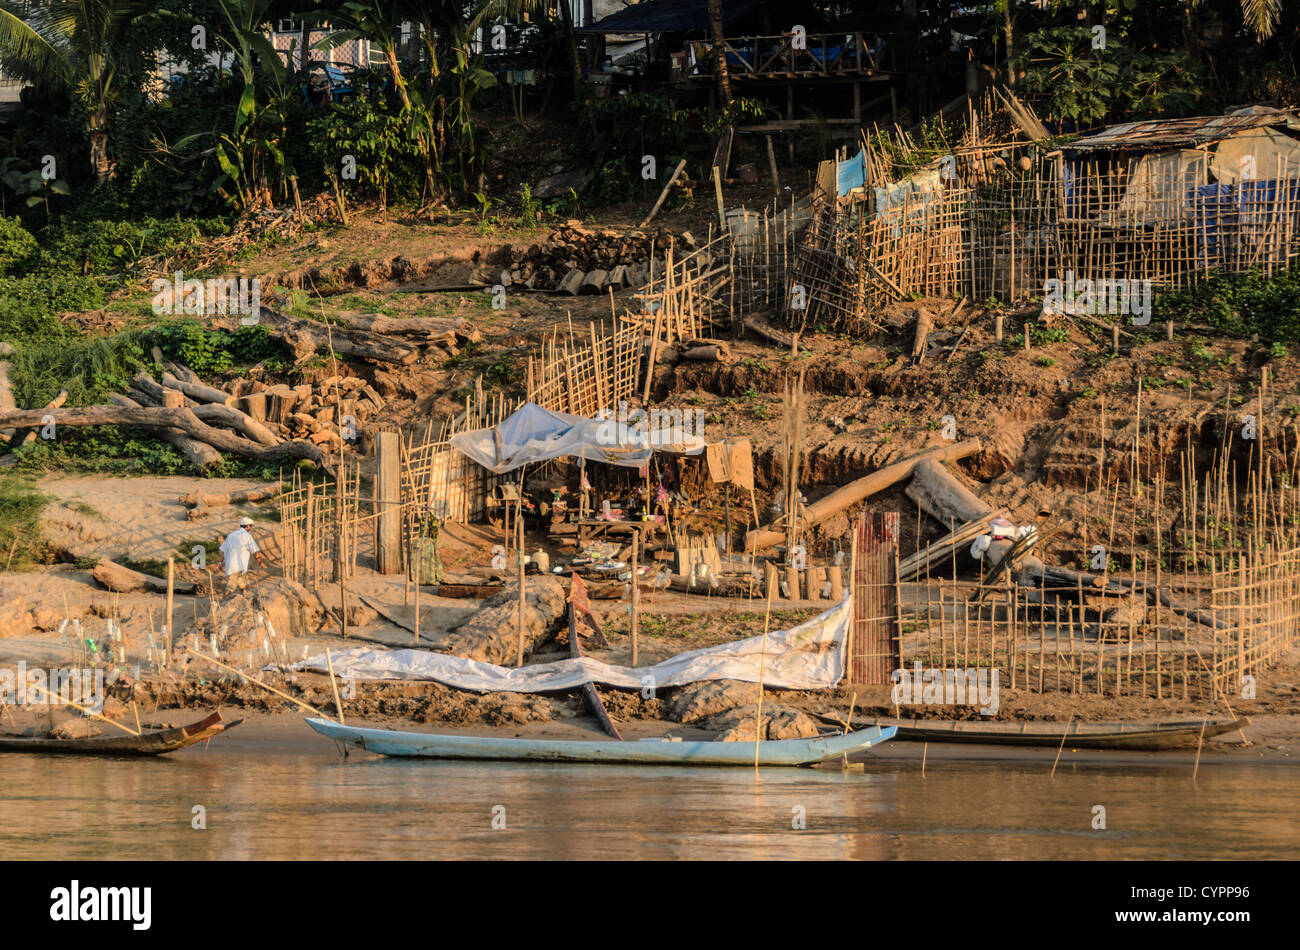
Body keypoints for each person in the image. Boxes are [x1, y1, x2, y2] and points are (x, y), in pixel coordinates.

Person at [219, 517, 266, 594]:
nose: (251, 528)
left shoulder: (231, 535)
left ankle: (245, 597)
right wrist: (260, 563)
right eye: (250, 526)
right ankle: (222, 602)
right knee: (230, 588)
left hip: (233, 566)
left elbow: (223, 551)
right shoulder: (247, 536)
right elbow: (254, 552)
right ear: (247, 526)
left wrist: (220, 563)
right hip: (238, 566)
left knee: (243, 585)